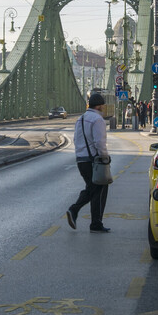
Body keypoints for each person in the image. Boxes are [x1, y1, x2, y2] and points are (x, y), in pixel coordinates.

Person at [65, 92, 111, 233]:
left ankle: (96, 223)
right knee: (95, 189)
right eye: (102, 106)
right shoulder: (97, 120)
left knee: (96, 189)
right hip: (94, 161)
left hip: (81, 160)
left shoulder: (81, 119)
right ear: (99, 106)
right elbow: (99, 142)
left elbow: (76, 139)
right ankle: (74, 209)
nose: (103, 108)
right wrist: (105, 157)